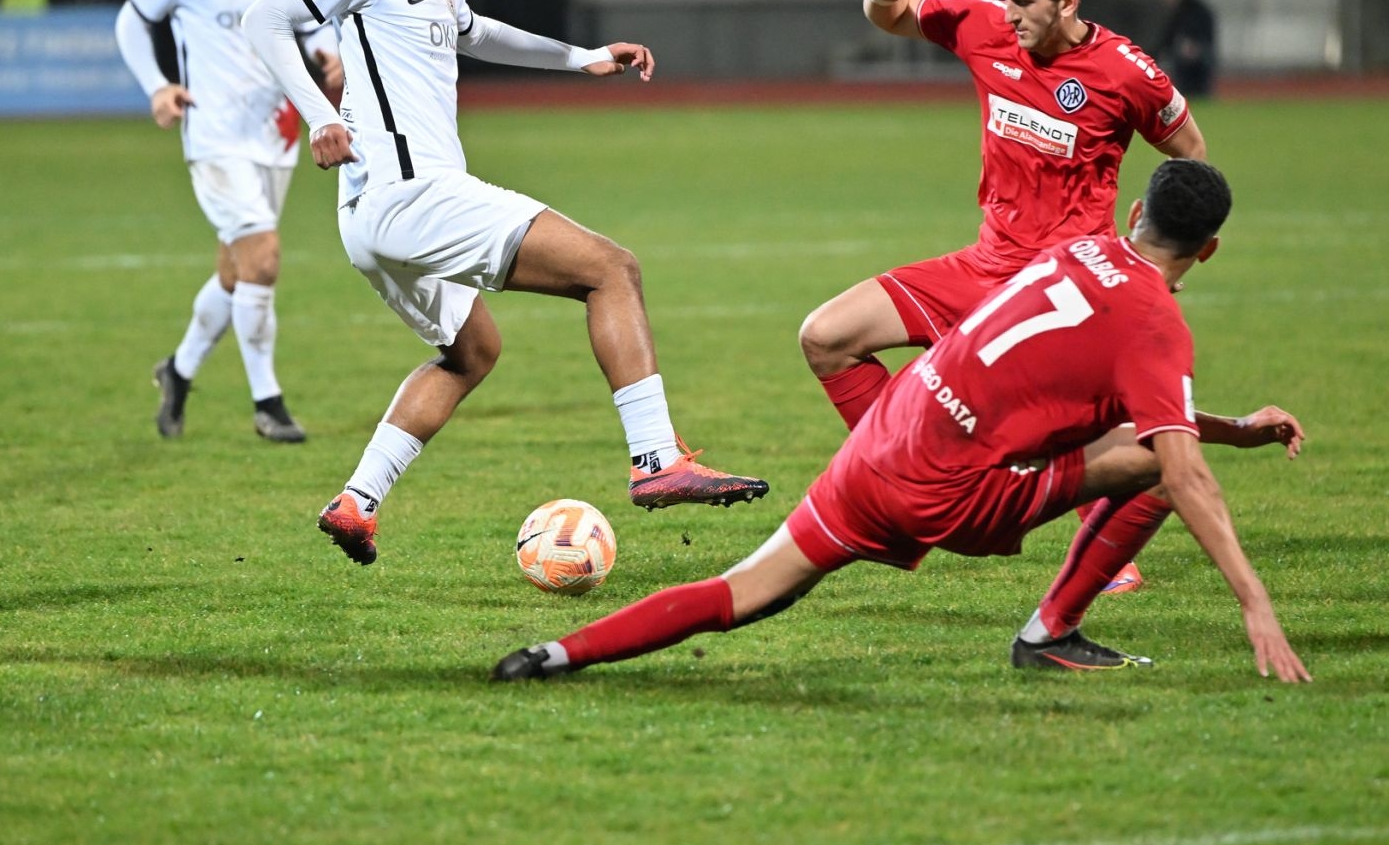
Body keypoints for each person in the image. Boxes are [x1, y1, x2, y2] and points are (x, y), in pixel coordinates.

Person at [496, 160, 1310, 685]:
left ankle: (557, 654)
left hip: (888, 435)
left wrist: (1233, 427)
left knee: (746, 591)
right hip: (953, 492)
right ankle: (1050, 630)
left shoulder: (1072, 252)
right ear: (1207, 252)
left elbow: (1135, 408)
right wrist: (1254, 603)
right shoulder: (1156, 326)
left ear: (1135, 210)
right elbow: (1179, 460)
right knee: (1162, 473)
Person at [242, 0, 770, 565]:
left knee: (471, 353)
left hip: (371, 217)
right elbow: (264, 19)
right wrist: (319, 115)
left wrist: (579, 57)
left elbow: (480, 33)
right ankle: (655, 460)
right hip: (411, 193)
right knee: (611, 269)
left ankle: (356, 503)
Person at [799, 0, 1207, 596]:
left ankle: (1105, 556)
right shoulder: (981, 23)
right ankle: (899, 489)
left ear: (1067, 2)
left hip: (1062, 289)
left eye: (1023, 1)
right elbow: (889, 16)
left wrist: (1161, 253)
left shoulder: (1124, 72)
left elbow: (1191, 156)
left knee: (1080, 432)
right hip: (984, 267)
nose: (1007, 12)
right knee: (826, 336)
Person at [116, 0, 343, 443]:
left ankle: (179, 371)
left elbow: (321, 24)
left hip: (276, 136)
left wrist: (333, 56)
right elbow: (132, 20)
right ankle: (268, 403)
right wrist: (158, 86)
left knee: (235, 271)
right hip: (213, 139)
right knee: (263, 258)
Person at [1152, 0, 1218, 98]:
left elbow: (1202, 29)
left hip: (1202, 51)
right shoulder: (1180, 11)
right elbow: (1169, 36)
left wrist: (1195, 44)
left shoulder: (1193, 10)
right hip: (1190, 53)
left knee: (1198, 82)